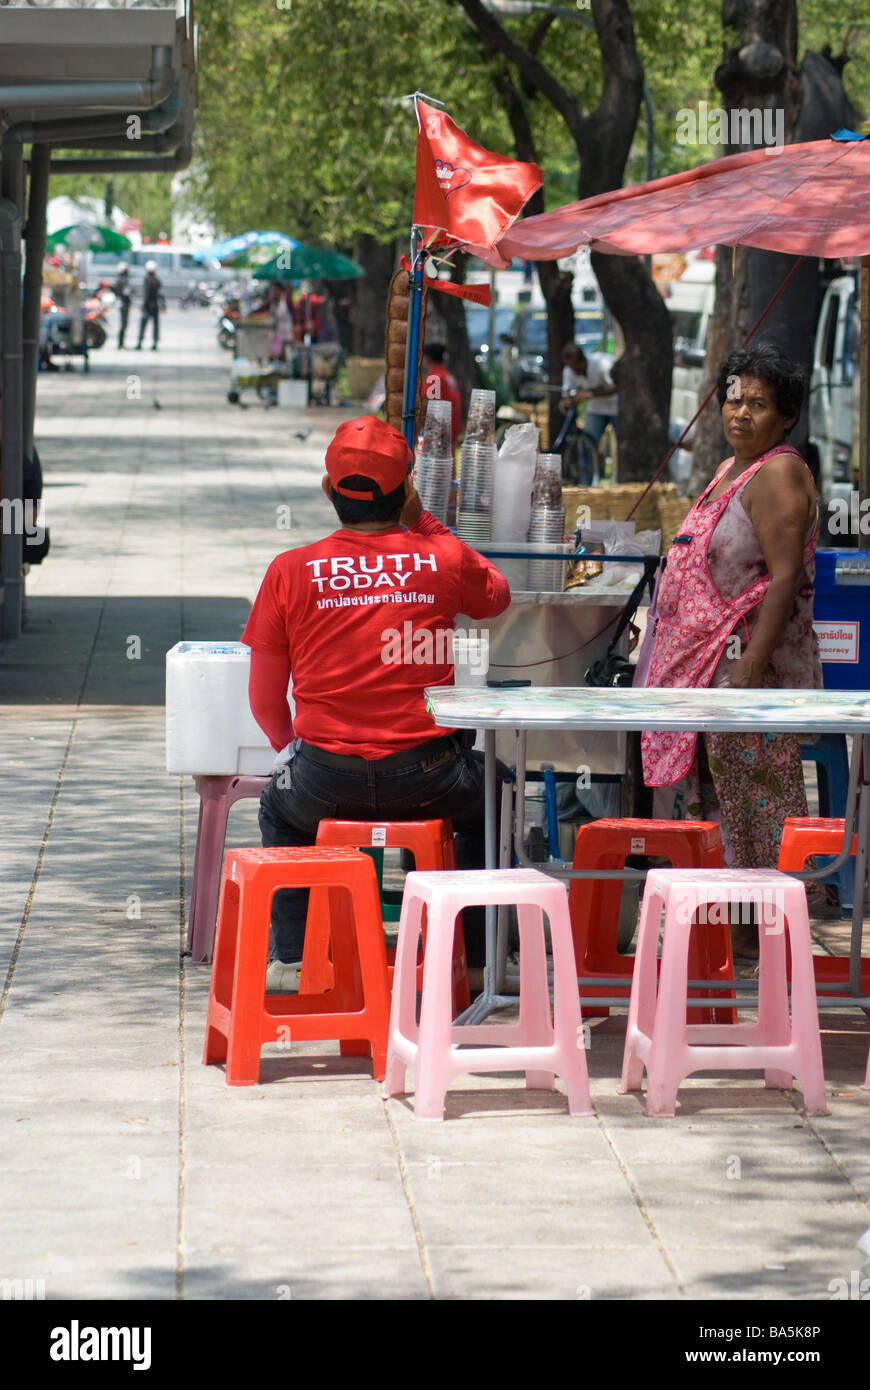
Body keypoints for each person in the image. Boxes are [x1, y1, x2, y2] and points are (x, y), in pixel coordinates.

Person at [242, 415, 512, 993]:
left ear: (327, 489)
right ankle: (474, 961)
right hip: (428, 779)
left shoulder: (289, 570)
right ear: (407, 487)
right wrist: (425, 520)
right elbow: (497, 594)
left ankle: (291, 962)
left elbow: (265, 700)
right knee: (494, 793)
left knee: (276, 809)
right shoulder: (441, 558)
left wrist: (294, 752)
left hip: (321, 780)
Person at [640, 343, 824, 957]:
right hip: (700, 680)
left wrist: (747, 671)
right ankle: (724, 935)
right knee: (713, 808)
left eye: (760, 404)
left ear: (788, 415)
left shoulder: (779, 472)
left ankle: (763, 943)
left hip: (744, 680)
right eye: (734, 399)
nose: (741, 413)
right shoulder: (729, 469)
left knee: (752, 812)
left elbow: (784, 576)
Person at [557, 342, 619, 483]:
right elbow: (567, 393)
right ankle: (586, 482)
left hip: (615, 407)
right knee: (587, 445)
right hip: (595, 409)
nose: (573, 371)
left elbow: (616, 386)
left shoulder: (602, 364)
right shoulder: (569, 371)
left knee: (621, 445)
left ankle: (618, 481)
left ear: (582, 360)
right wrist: (566, 402)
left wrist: (589, 394)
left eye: (575, 367)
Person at [421, 342, 463, 449]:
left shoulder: (435, 378)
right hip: (451, 430)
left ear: (427, 358)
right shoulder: (448, 376)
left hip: (439, 433)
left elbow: (427, 405)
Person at [136, 261, 164, 350]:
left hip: (148, 305)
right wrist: (163, 305)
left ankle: (140, 343)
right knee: (155, 325)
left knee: (143, 324)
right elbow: (161, 294)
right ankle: (155, 343)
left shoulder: (147, 279)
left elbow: (146, 294)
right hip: (155, 305)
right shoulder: (157, 280)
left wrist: (143, 304)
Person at [113, 263, 132, 349]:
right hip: (124, 303)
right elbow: (125, 292)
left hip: (123, 303)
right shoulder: (122, 280)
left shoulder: (120, 279)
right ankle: (120, 343)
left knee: (124, 324)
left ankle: (121, 343)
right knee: (124, 324)